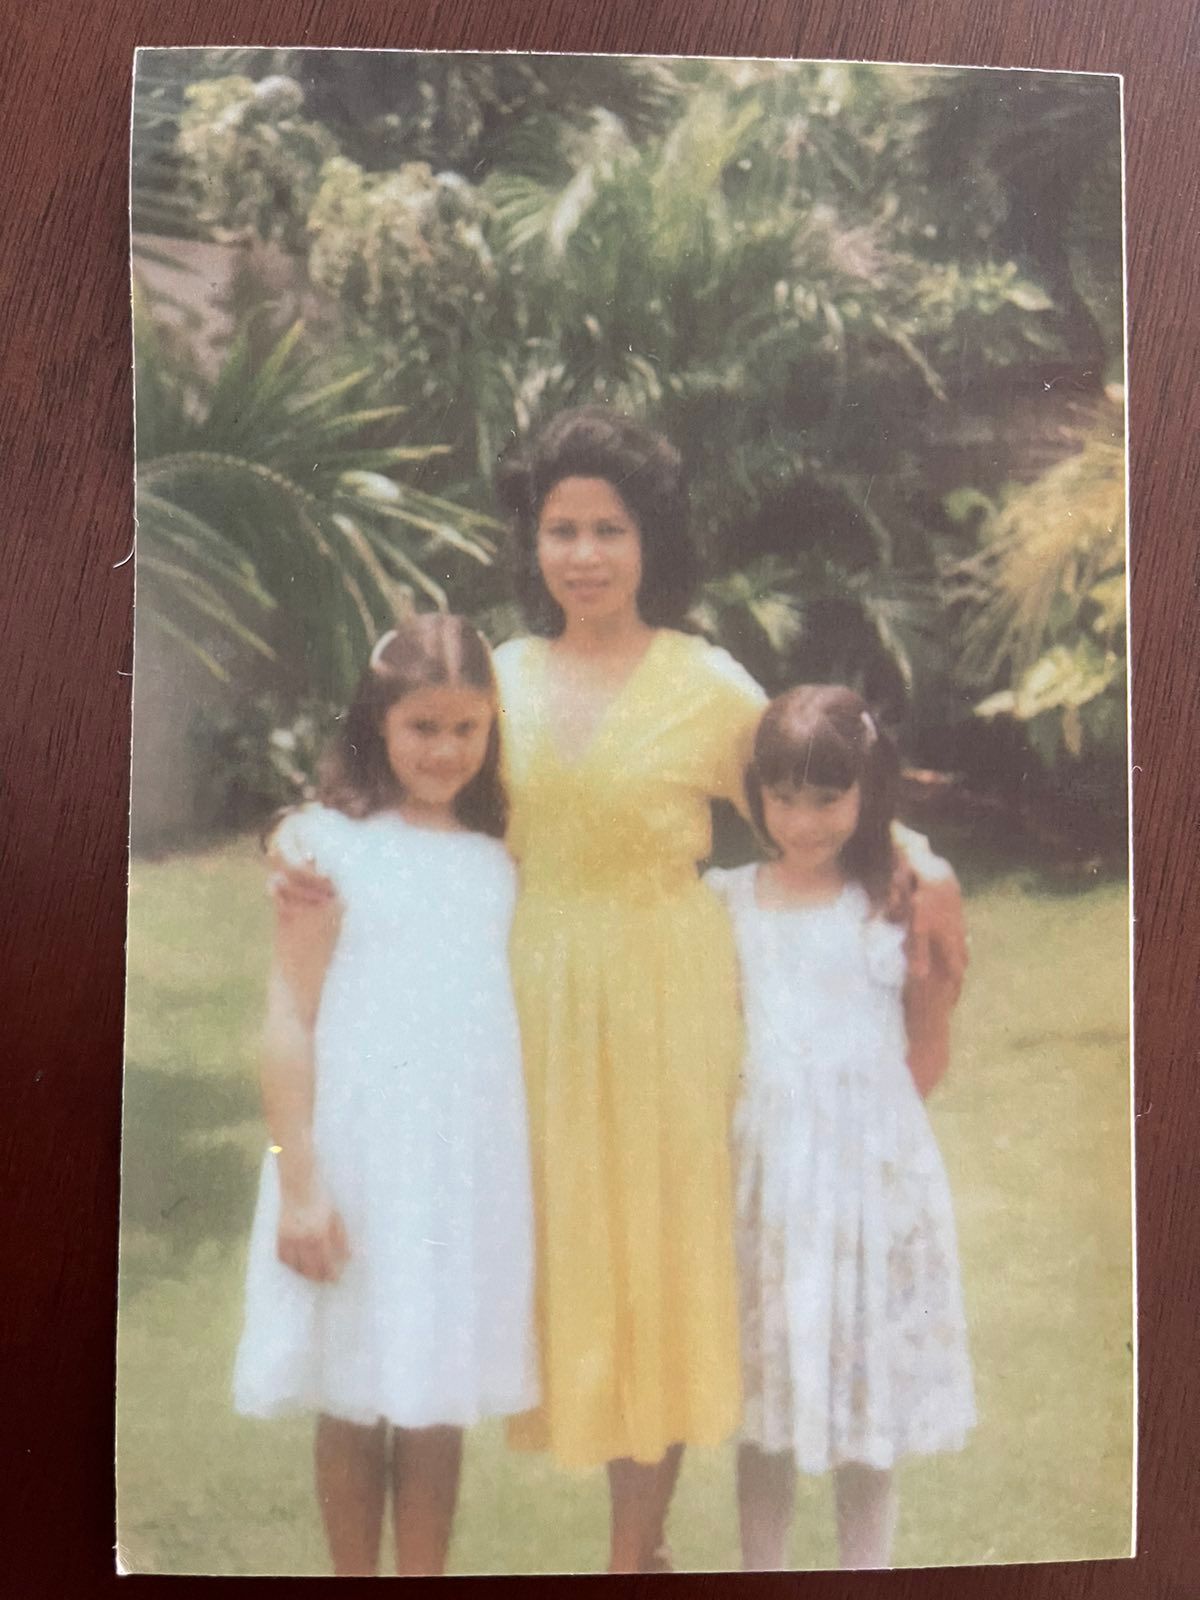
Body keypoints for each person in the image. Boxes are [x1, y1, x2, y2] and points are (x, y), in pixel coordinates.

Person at [273, 408, 968, 1574]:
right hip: (523, 1000)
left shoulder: (706, 682)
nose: (584, 553)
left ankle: (630, 1556)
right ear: (531, 543)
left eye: (609, 528)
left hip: (668, 1000)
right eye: (560, 529)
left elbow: (819, 791)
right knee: (544, 1256)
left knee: (653, 1259)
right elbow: (412, 779)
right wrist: (301, 834)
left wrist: (922, 855)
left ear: (650, 542)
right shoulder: (498, 673)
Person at [234, 614, 537, 1578]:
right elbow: (288, 1018)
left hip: (456, 1169)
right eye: (422, 728)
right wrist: (299, 1184)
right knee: (352, 1394)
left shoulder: (502, 855)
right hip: (355, 1161)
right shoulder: (325, 849)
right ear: (377, 724)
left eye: (467, 730)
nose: (445, 750)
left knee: (434, 1396)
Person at [706, 685, 975, 1573]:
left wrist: (870, 1157)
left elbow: (928, 1043)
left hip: (872, 1177)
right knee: (769, 1407)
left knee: (870, 1408)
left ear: (869, 791)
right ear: (757, 795)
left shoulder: (907, 893)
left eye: (828, 797)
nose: (805, 820)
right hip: (768, 1183)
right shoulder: (731, 900)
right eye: (785, 797)